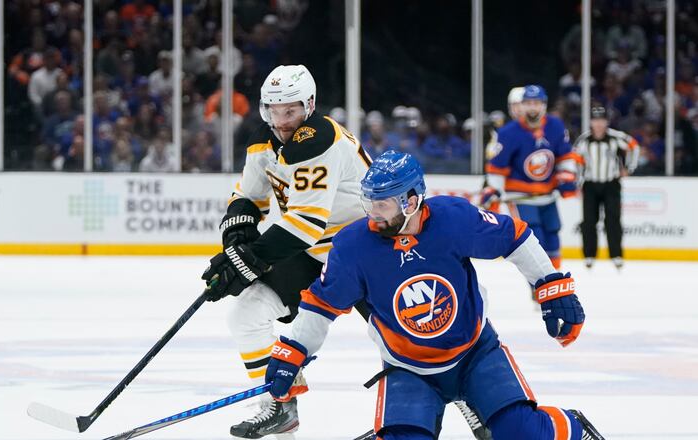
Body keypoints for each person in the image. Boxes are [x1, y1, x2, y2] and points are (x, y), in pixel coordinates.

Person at [265, 150, 605, 440]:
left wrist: (550, 285)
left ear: (411, 200)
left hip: (476, 354)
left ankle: (573, 427)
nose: (372, 213)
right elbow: (322, 304)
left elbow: (514, 237)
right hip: (407, 369)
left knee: (522, 433)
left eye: (381, 204)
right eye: (368, 202)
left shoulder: (453, 220)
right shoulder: (354, 246)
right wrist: (293, 350)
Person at [200, 64, 372, 438]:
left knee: (404, 336)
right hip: (314, 252)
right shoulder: (264, 141)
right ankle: (279, 405)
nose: (281, 121)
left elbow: (307, 222)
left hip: (367, 249)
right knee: (245, 316)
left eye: (290, 111)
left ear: (309, 105)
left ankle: (468, 402)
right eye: (273, 111)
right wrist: (237, 236)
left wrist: (247, 260)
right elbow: (249, 194)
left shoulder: (319, 139)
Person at [481, 85, 579, 271]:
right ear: (522, 106)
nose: (532, 107)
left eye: (536, 103)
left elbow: (564, 156)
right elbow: (497, 168)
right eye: (528, 103)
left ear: (544, 105)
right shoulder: (508, 133)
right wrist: (494, 190)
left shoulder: (555, 126)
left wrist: (566, 176)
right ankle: (538, 286)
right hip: (520, 197)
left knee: (552, 237)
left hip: (548, 196)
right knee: (535, 240)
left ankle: (554, 281)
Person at [573, 106, 639, 269]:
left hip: (611, 184)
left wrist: (629, 168)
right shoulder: (584, 139)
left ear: (606, 121)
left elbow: (634, 146)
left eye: (601, 120)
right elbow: (575, 159)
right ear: (591, 122)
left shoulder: (615, 137)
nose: (599, 124)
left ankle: (616, 255)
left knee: (613, 220)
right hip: (590, 184)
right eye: (595, 120)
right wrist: (577, 182)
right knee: (589, 221)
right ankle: (589, 255)